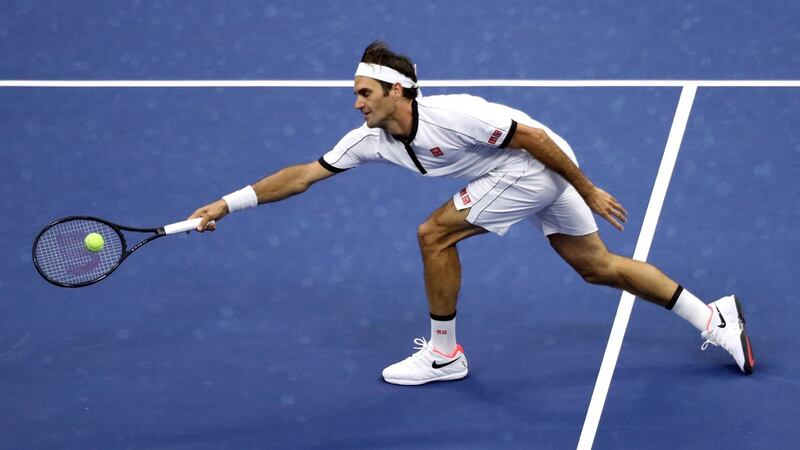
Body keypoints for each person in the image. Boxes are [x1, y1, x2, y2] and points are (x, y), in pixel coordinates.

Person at [189, 41, 755, 385]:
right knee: (597, 267)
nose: (356, 102)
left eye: (365, 93)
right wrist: (227, 204)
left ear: (397, 92)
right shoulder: (370, 139)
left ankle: (443, 355)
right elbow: (303, 175)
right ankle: (715, 319)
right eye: (356, 94)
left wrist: (585, 187)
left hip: (536, 161)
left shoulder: (453, 114)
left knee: (434, 235)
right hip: (516, 172)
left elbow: (530, 136)